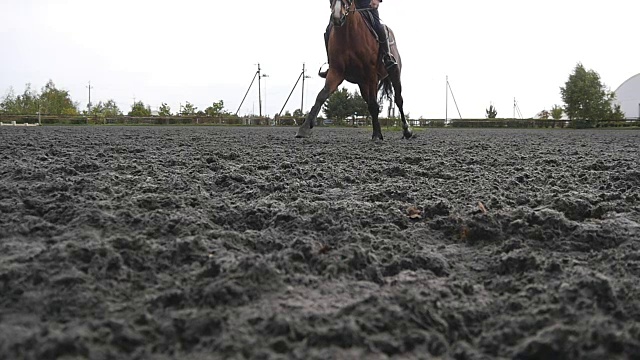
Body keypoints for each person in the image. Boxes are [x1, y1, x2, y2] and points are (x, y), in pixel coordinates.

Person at [319, 0, 397, 78]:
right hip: (346, 6)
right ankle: (331, 64)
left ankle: (387, 58)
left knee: (380, 28)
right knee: (328, 31)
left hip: (367, 6)